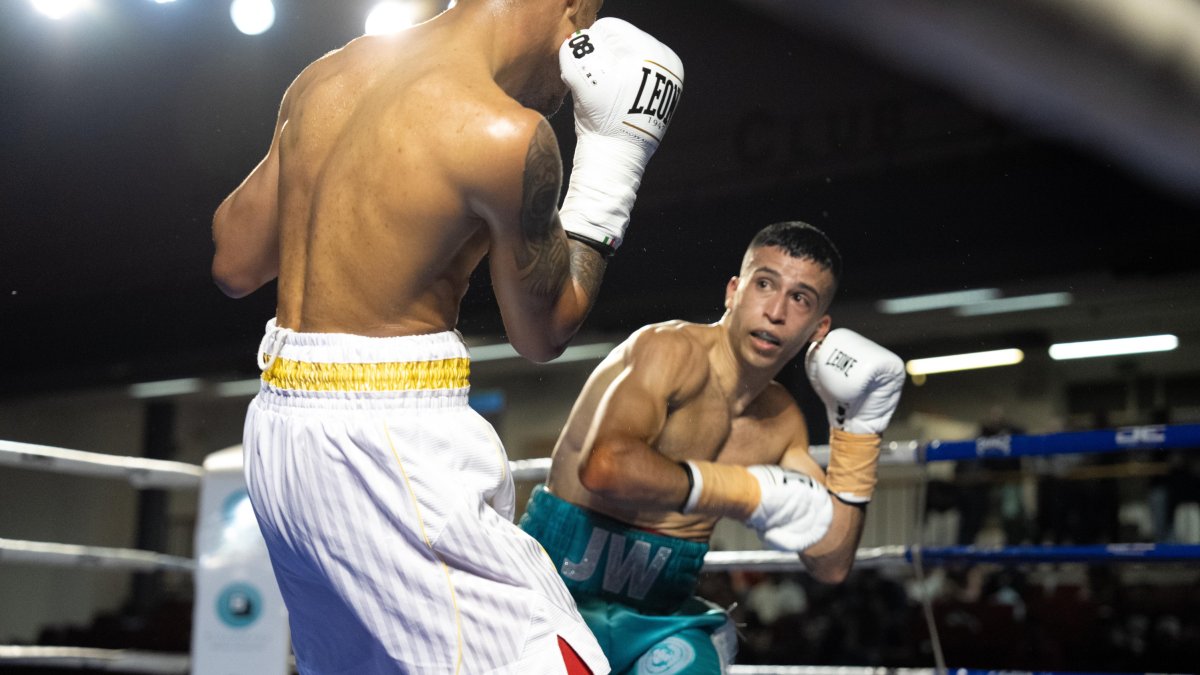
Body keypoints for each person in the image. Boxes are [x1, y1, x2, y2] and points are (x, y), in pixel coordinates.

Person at [210, 0, 684, 672]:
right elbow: (545, 329)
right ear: (574, 10)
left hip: (280, 438)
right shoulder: (502, 132)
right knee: (549, 658)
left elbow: (233, 261)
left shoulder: (326, 77)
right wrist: (616, 152)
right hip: (391, 447)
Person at [519, 221, 906, 673]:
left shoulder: (781, 421)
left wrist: (857, 435)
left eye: (800, 298)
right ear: (734, 291)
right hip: (553, 598)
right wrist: (742, 489)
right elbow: (605, 468)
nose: (776, 312)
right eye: (765, 284)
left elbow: (830, 561)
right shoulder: (668, 350)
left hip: (658, 619)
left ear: (818, 328)